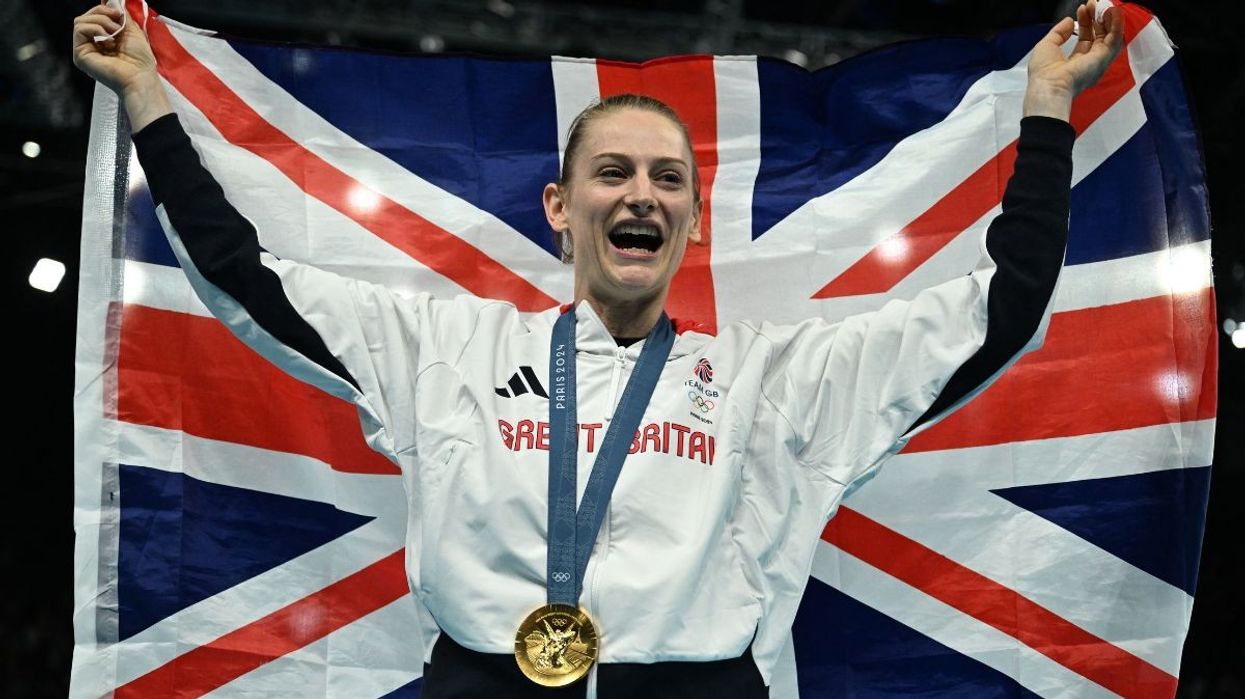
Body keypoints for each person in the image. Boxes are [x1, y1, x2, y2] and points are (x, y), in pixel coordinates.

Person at [73, 1, 1123, 697]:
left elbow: (1006, 305)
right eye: (613, 174)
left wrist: (1044, 107)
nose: (641, 195)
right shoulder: (447, 345)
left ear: (694, 222)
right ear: (560, 211)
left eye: (668, 180)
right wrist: (146, 97)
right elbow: (242, 272)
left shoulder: (778, 377)